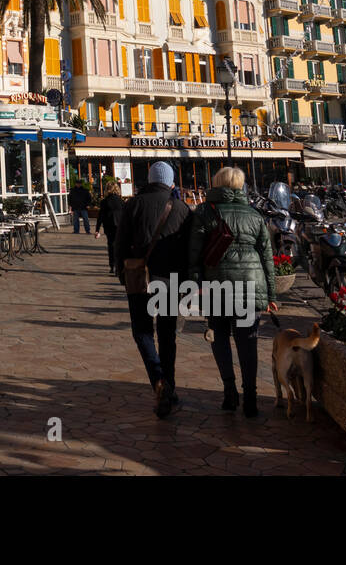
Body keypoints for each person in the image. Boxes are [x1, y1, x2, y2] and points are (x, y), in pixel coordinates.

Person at [188, 166, 277, 418]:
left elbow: (194, 252)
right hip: (251, 283)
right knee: (248, 341)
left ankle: (229, 392)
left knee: (219, 337)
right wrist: (271, 295)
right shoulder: (254, 213)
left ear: (217, 183)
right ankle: (250, 396)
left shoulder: (205, 211)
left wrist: (195, 283)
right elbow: (267, 256)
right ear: (240, 186)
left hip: (217, 286)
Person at [114, 162, 191, 418]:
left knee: (143, 332)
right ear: (170, 183)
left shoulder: (133, 205)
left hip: (139, 277)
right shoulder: (181, 208)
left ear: (149, 180)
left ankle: (159, 382)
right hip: (171, 280)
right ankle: (169, 386)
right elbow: (189, 248)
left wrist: (121, 272)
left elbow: (120, 242)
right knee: (168, 335)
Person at [94, 179, 126, 274]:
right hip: (120, 226)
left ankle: (112, 266)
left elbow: (100, 216)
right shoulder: (121, 201)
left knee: (111, 246)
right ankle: (119, 266)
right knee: (119, 246)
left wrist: (97, 229)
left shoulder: (104, 202)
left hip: (108, 226)